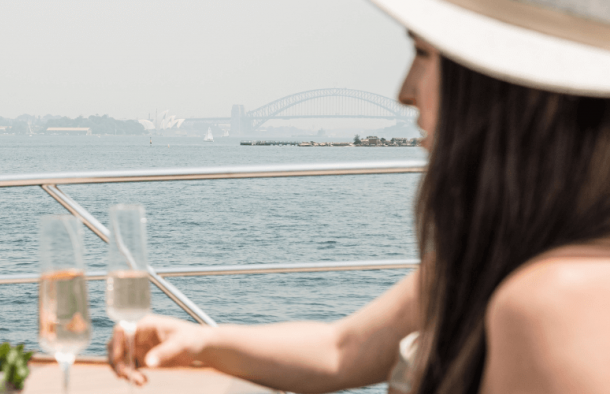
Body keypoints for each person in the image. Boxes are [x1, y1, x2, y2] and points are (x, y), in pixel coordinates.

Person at [107, 0, 610, 393]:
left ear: (506, 86)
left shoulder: (554, 302)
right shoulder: (499, 251)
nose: (403, 91)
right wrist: (200, 340)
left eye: (422, 53)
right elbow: (341, 350)